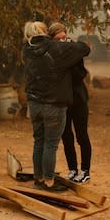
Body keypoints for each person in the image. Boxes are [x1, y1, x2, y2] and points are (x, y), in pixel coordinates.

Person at [22, 21, 90, 191]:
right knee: (51, 144)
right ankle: (49, 181)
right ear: (47, 34)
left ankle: (39, 179)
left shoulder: (27, 50)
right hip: (54, 103)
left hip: (34, 102)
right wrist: (68, 44)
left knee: (39, 142)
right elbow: (84, 48)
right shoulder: (55, 49)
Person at [48, 22, 92, 183]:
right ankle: (72, 169)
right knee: (66, 136)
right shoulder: (51, 55)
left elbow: (81, 72)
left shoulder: (74, 50)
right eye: (58, 39)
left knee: (82, 136)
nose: (62, 41)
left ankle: (85, 170)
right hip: (62, 101)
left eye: (64, 37)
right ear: (52, 40)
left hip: (78, 99)